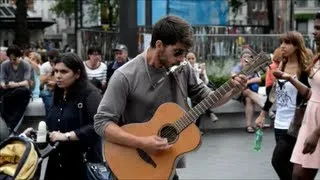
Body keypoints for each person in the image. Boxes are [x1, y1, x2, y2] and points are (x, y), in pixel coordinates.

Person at [94, 15, 247, 179]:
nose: (182, 58)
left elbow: (208, 99)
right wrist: (143, 143)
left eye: (185, 52)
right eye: (177, 52)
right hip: (131, 164)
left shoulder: (183, 68)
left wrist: (232, 90)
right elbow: (102, 123)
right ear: (159, 45)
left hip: (166, 166)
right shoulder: (124, 76)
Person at [255, 31, 310, 180]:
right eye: (282, 43)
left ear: (297, 46)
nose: (282, 46)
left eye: (287, 43)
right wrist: (262, 114)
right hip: (279, 123)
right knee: (287, 163)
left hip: (294, 125)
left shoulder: (304, 70)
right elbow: (273, 94)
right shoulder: (281, 66)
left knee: (277, 160)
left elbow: (308, 95)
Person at [45, 53, 102, 180]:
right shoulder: (58, 93)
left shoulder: (90, 94)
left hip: (80, 163)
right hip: (56, 162)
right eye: (56, 71)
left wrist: (67, 136)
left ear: (77, 73)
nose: (58, 76)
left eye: (64, 72)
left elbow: (98, 126)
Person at [288, 12, 320, 180]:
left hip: (318, 128)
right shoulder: (317, 57)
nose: (314, 32)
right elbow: (312, 93)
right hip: (310, 119)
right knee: (299, 175)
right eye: (315, 27)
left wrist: (316, 134)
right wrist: (289, 79)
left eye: (318, 28)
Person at [231, 48, 266, 133]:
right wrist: (244, 72)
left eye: (249, 57)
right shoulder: (238, 67)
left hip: (249, 92)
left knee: (249, 99)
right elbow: (233, 76)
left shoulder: (254, 67)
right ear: (241, 58)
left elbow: (260, 78)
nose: (246, 58)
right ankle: (267, 109)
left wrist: (248, 81)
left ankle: (248, 126)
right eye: (244, 56)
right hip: (239, 92)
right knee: (246, 91)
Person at [0, 45, 32, 132]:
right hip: (9, 91)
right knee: (5, 100)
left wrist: (15, 84)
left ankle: (10, 127)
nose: (12, 61)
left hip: (21, 91)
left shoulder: (26, 65)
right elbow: (2, 80)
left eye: (14, 59)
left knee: (23, 93)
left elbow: (27, 82)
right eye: (10, 59)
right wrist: (5, 84)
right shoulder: (4, 65)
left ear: (19, 57)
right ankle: (9, 127)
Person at [186, 52, 218, 128]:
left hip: (199, 91)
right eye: (188, 59)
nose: (191, 60)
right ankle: (209, 112)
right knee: (197, 102)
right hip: (189, 92)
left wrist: (202, 73)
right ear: (185, 59)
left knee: (198, 103)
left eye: (192, 58)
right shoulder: (185, 68)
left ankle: (197, 128)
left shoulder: (199, 67)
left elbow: (206, 82)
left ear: (195, 59)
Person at [39, 49, 58, 117]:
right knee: (49, 102)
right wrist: (51, 72)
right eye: (50, 61)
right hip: (47, 90)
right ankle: (50, 122)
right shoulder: (44, 66)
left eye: (53, 61)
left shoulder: (60, 65)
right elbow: (41, 81)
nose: (51, 63)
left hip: (58, 90)